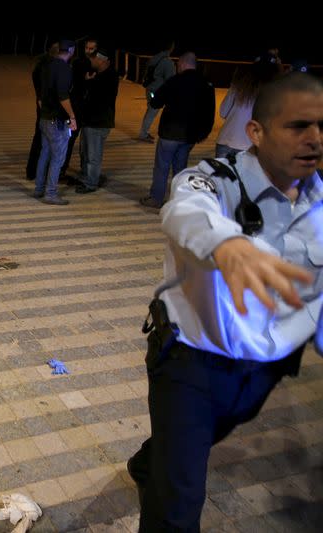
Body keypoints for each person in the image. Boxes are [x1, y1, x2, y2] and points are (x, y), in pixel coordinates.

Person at [127, 72, 323, 532]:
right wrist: (228, 246)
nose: (314, 140)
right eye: (298, 126)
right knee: (179, 504)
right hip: (192, 364)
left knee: (189, 444)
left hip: (263, 371)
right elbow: (184, 212)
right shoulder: (213, 179)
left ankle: (149, 461)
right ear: (256, 132)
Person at [139, 52, 215, 208]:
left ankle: (156, 198)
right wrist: (203, 133)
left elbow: (156, 102)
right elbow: (209, 112)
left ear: (182, 64)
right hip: (190, 135)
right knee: (180, 168)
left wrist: (153, 97)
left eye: (178, 64)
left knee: (162, 166)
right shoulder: (206, 84)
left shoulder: (174, 81)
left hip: (170, 133)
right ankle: (177, 198)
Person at [33, 39, 77, 206]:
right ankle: (50, 194)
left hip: (44, 118)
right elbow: (63, 96)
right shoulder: (65, 69)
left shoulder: (45, 66)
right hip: (57, 121)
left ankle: (39, 189)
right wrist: (72, 117)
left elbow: (40, 96)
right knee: (58, 157)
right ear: (71, 50)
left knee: (44, 154)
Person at [215, 54, 281, 158]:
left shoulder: (238, 85)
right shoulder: (274, 93)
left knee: (221, 174)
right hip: (249, 146)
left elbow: (223, 112)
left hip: (226, 140)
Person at [75, 47, 118, 194]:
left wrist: (89, 83)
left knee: (93, 155)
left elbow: (98, 99)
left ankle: (91, 183)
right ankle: (87, 177)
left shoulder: (109, 77)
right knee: (85, 152)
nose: (91, 62)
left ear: (102, 60)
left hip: (98, 122)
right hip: (90, 121)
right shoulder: (99, 75)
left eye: (93, 59)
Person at [61, 38, 98, 183]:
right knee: (70, 139)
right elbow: (76, 82)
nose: (89, 51)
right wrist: (86, 80)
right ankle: (62, 169)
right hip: (77, 108)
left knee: (81, 141)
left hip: (84, 108)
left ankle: (79, 169)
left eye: (92, 48)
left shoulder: (87, 63)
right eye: (87, 48)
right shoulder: (79, 63)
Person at [26, 43, 60, 180]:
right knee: (44, 141)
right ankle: (36, 172)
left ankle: (32, 171)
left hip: (43, 109)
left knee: (39, 139)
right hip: (47, 110)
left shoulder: (41, 66)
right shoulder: (46, 69)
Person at [137, 42, 176, 143]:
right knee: (152, 112)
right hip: (156, 91)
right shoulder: (167, 62)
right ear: (171, 48)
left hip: (150, 89)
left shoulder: (154, 59)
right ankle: (143, 134)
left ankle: (144, 133)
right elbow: (170, 80)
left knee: (150, 111)